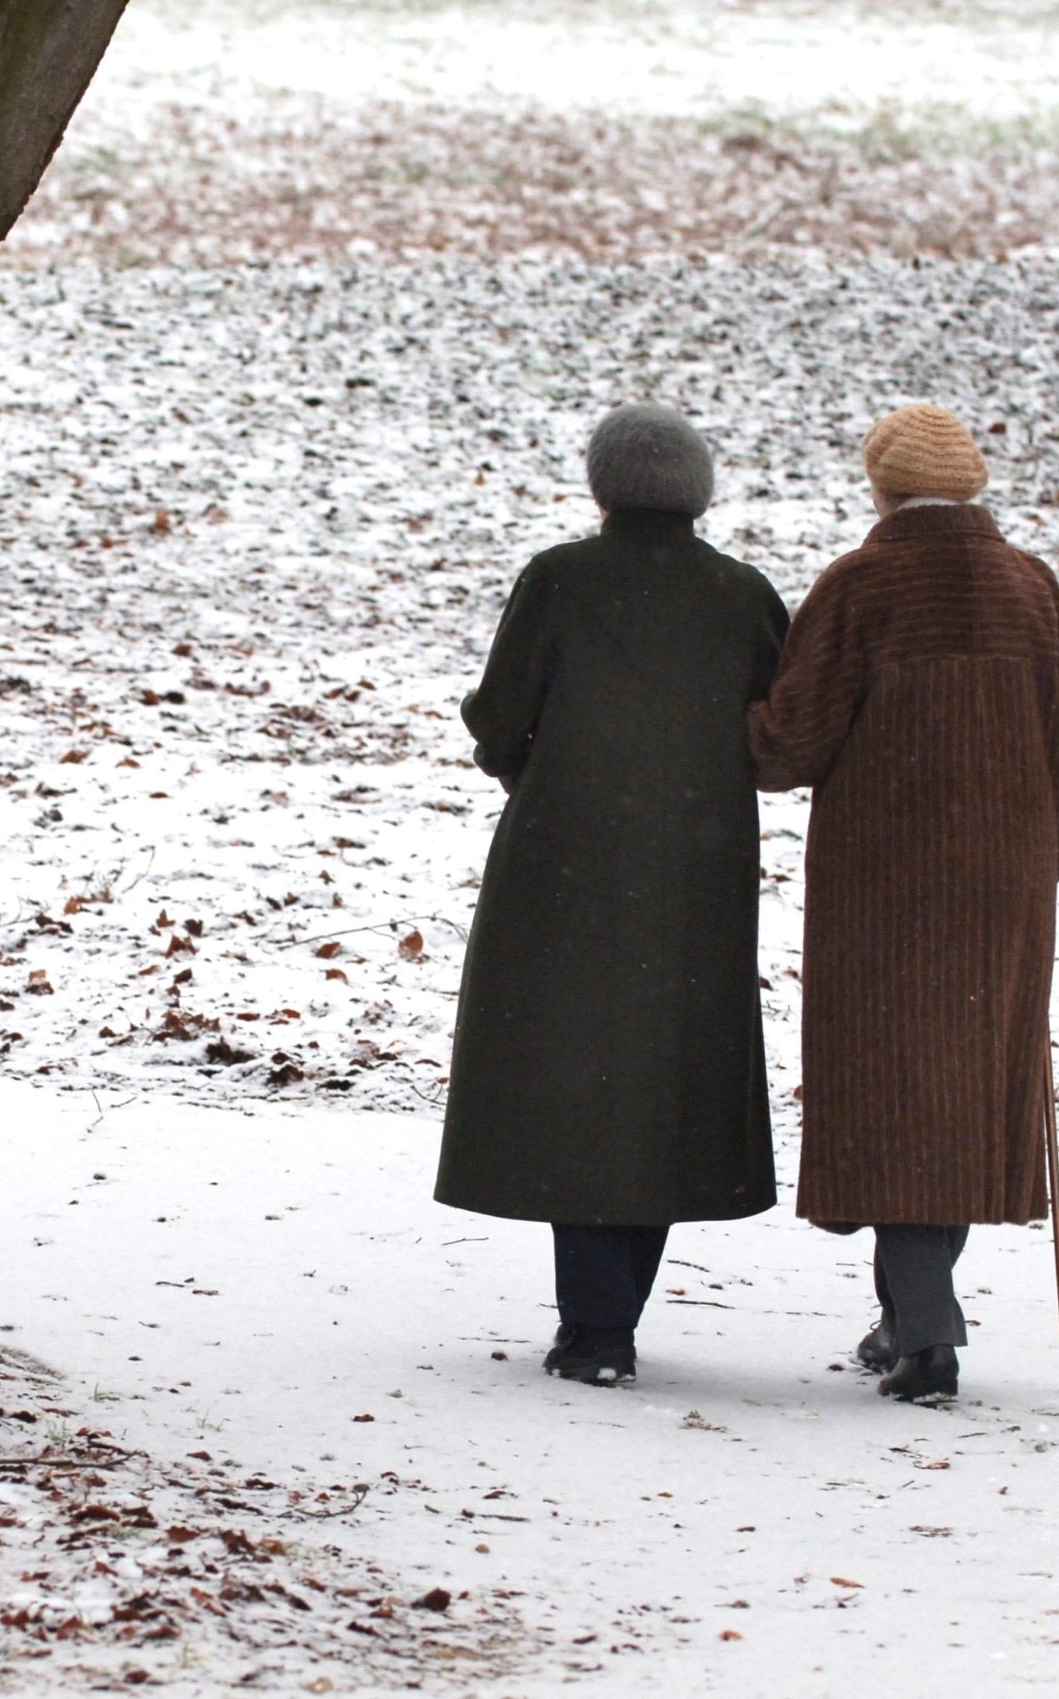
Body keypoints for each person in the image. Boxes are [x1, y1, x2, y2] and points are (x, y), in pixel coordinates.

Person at [750, 405, 1059, 1404]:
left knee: (896, 1094)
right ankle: (914, 1313)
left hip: (880, 888)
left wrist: (725, 720)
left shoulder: (861, 585)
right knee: (949, 1088)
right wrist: (1028, 858)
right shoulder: (1028, 587)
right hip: (999, 889)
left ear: (881, 486)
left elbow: (790, 745)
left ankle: (924, 1331)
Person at [437, 404, 789, 1387]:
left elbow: (501, 714)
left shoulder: (559, 580)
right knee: (665, 1078)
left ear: (601, 487)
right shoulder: (740, 593)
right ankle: (608, 1312)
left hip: (563, 859)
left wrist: (533, 772)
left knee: (577, 1075)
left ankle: (596, 1325)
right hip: (698, 869)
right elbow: (776, 732)